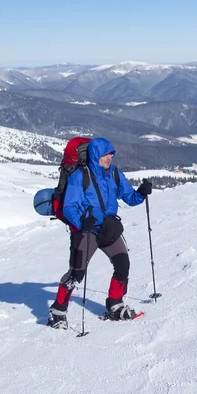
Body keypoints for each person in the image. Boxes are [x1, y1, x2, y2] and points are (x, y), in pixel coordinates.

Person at [48, 138, 153, 329]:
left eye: (111, 153)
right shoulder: (79, 176)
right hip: (86, 231)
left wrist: (141, 193)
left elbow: (129, 197)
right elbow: (69, 206)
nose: (110, 156)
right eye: (106, 154)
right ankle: (58, 312)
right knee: (76, 273)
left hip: (108, 228)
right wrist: (81, 222)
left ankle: (115, 304)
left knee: (123, 264)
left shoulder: (114, 174)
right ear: (96, 155)